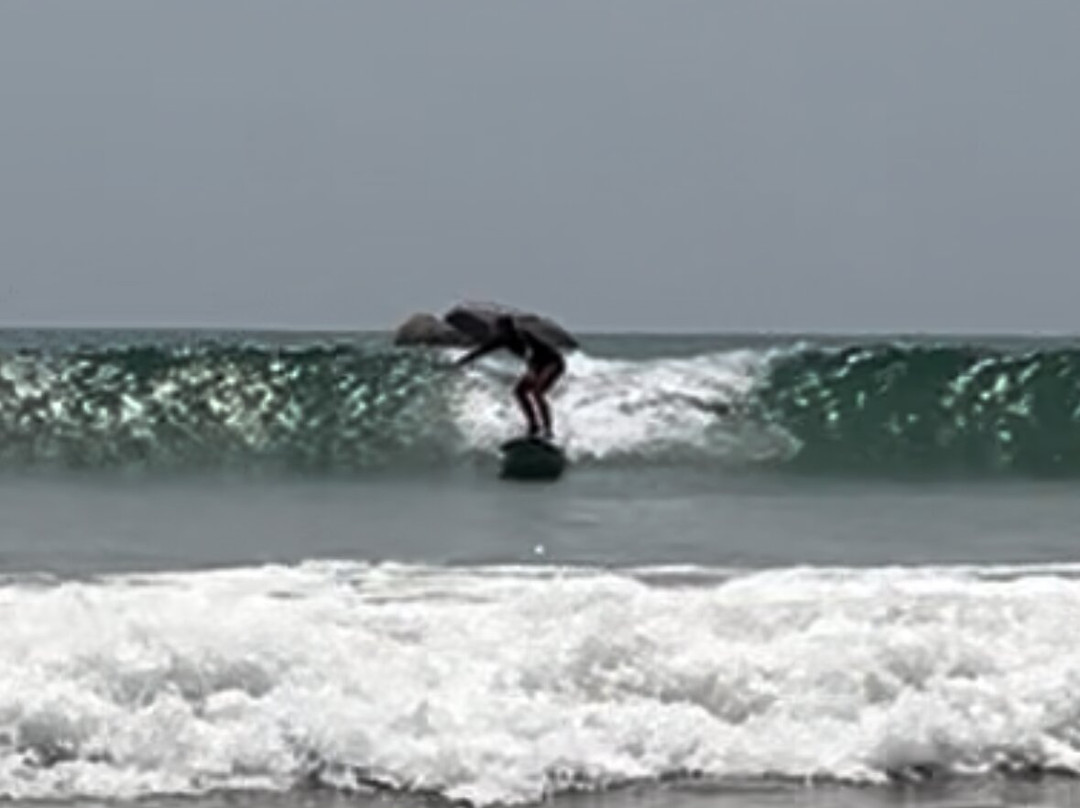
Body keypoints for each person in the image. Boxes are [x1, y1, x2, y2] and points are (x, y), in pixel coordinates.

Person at [455, 315, 566, 440]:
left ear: (507, 328)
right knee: (519, 392)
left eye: (497, 328)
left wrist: (532, 371)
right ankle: (533, 426)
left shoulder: (521, 335)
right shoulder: (501, 340)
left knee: (537, 392)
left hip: (553, 362)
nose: (495, 331)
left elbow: (530, 352)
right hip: (538, 366)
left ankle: (548, 430)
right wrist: (459, 363)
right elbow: (480, 351)